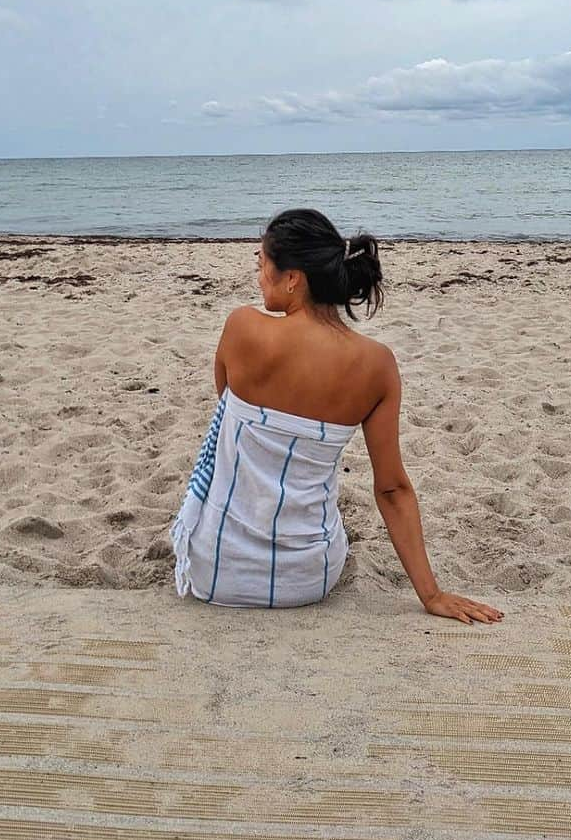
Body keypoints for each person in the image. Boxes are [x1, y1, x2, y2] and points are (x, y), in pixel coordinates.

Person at [169, 207, 504, 625]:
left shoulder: (243, 329)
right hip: (309, 577)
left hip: (217, 569)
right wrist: (431, 594)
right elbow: (392, 489)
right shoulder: (376, 364)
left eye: (262, 264)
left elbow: (228, 403)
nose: (258, 276)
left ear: (293, 278)